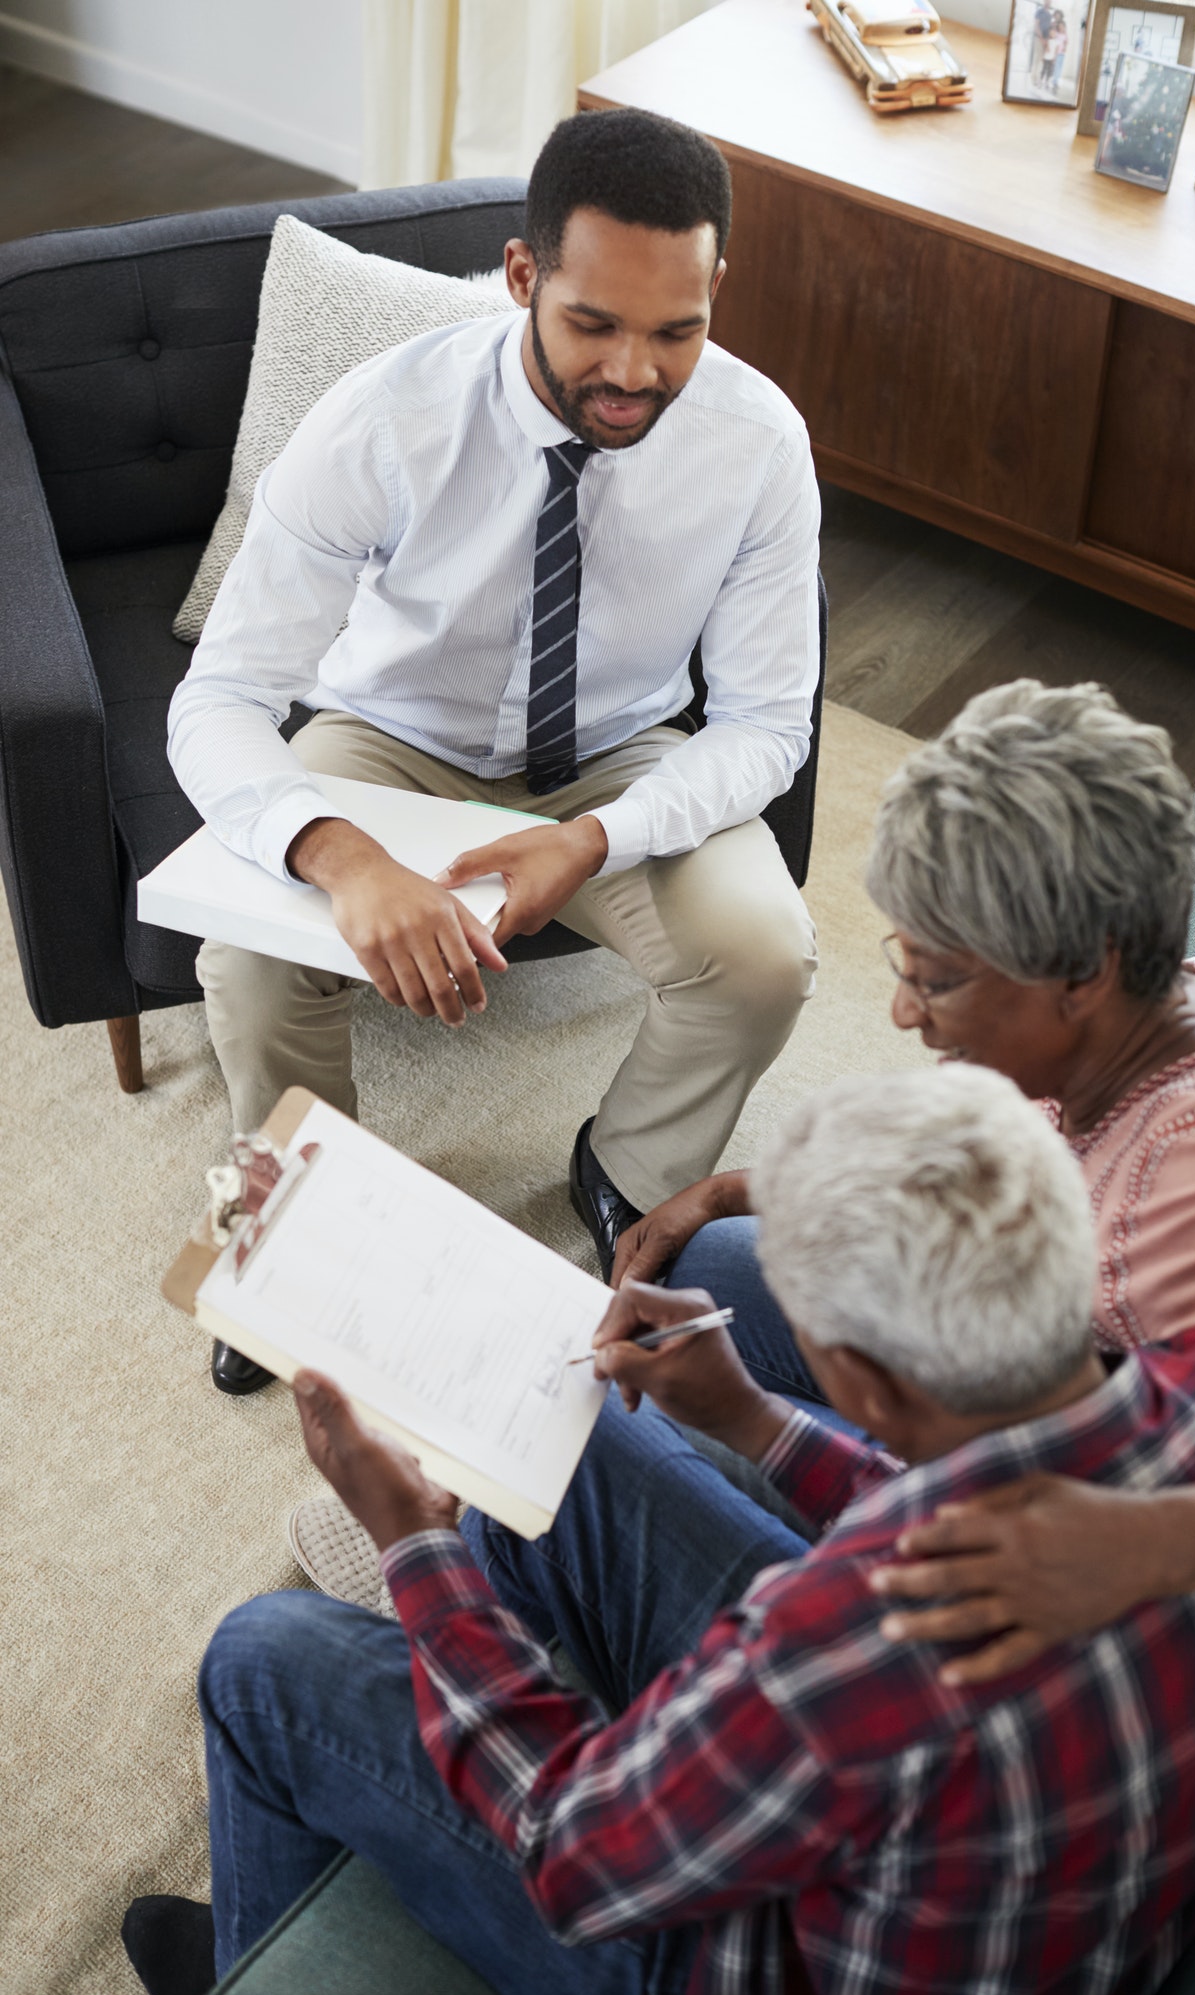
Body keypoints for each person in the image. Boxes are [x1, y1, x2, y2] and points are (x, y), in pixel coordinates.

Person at [121, 1069, 1195, 1995]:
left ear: (857, 1372)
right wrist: (753, 1418)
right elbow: (981, 1503)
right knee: (574, 1430)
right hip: (1024, 1867)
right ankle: (500, 1689)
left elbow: (571, 1847)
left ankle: (254, 1956)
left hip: (752, 1957)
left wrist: (414, 1553)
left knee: (263, 1661)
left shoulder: (843, 1648)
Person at [167, 107, 820, 1393]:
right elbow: (221, 697)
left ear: (714, 293)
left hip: (620, 755)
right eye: (594, 324)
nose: (634, 370)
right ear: (523, 278)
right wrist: (338, 851)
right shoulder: (382, 418)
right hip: (392, 738)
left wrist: (597, 837)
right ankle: (295, 1233)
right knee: (246, 960)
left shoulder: (759, 444)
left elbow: (765, 721)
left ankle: (625, 1174)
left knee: (763, 958)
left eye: (675, 330)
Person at [615, 680, 1195, 1676]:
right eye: (901, 964)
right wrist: (738, 1185)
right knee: (719, 1261)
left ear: (1083, 972)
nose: (905, 1012)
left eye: (938, 978)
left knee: (619, 1443)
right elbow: (1001, 1164)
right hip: (1031, 1422)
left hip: (1076, 1598)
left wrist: (1111, 1545)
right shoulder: (1132, 1024)